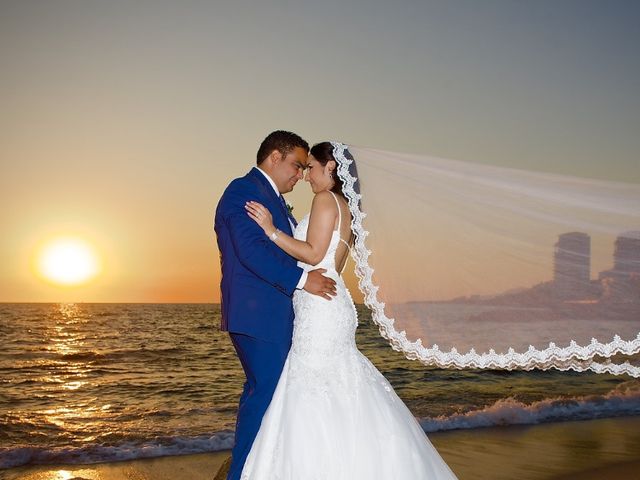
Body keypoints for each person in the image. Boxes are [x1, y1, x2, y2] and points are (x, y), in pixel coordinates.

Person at [240, 142, 459, 479]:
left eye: (311, 166)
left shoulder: (325, 200)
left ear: (331, 168)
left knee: (312, 387)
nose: (306, 174)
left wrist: (270, 230)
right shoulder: (346, 208)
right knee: (337, 382)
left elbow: (313, 255)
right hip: (331, 302)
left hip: (319, 306)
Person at [214, 131, 337, 480]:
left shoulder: (270, 198)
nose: (300, 175)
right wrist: (303, 280)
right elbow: (250, 251)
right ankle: (240, 474)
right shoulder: (243, 191)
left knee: (270, 395)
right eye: (297, 166)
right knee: (264, 395)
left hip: (271, 313)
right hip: (258, 313)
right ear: (274, 158)